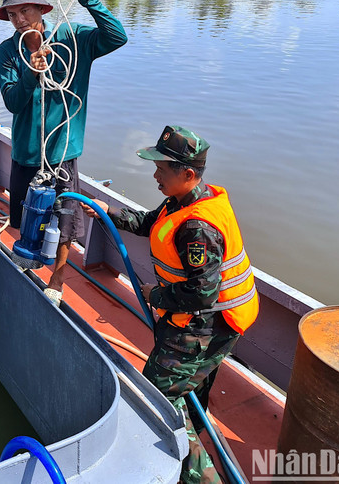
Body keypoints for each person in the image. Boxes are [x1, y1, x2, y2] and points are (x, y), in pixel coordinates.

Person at [82, 125, 260, 484]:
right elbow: (149, 223)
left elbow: (201, 293)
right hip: (217, 321)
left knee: (156, 401)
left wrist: (156, 296)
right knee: (191, 390)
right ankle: (190, 438)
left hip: (204, 327)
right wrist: (106, 212)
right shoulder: (184, 200)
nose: (155, 176)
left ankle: (198, 475)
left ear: (188, 174)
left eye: (161, 169)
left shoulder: (198, 229)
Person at [0, 0, 128, 303]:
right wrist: (31, 72)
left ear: (42, 9)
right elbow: (13, 102)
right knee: (26, 214)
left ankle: (57, 279)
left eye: (25, 10)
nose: (19, 20)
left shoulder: (73, 37)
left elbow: (117, 37)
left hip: (62, 150)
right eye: (12, 14)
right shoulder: (7, 52)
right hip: (26, 151)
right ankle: (27, 257)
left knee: (65, 220)